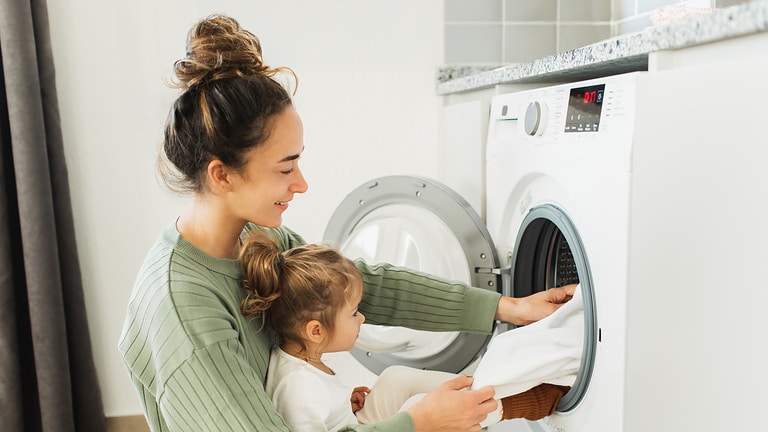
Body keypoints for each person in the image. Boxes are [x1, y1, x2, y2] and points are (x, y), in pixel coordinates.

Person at [118, 14, 576, 432]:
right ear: (222, 175)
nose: (302, 184)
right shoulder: (185, 311)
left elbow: (358, 287)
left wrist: (506, 307)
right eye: (285, 168)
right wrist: (416, 424)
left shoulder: (256, 236)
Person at [239, 230, 471, 431]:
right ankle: (487, 401)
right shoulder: (299, 389)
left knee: (395, 378)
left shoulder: (304, 360)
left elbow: (323, 408)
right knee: (417, 407)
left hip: (357, 427)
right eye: (353, 313)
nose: (362, 318)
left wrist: (341, 405)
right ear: (316, 332)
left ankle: (478, 388)